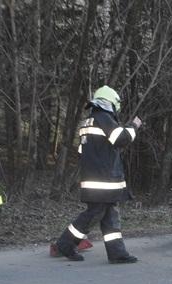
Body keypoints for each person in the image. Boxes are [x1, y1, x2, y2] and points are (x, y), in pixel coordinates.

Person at [53, 85, 142, 263]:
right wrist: (134, 126)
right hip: (103, 180)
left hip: (96, 178)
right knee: (94, 214)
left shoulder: (89, 121)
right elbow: (121, 139)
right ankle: (65, 243)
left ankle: (117, 254)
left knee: (110, 217)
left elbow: (82, 151)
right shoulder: (103, 118)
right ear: (110, 103)